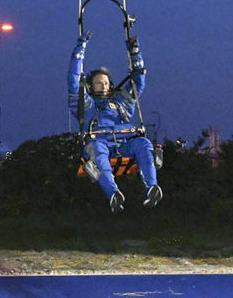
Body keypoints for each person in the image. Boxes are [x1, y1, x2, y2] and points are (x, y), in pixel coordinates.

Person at [69, 32, 163, 212]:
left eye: (105, 82)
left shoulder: (121, 103)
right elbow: (73, 80)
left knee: (143, 143)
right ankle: (113, 194)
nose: (103, 86)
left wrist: (135, 51)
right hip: (100, 144)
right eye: (98, 83)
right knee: (98, 150)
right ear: (90, 86)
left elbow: (138, 82)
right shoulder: (87, 106)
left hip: (122, 144)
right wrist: (80, 46)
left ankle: (151, 187)